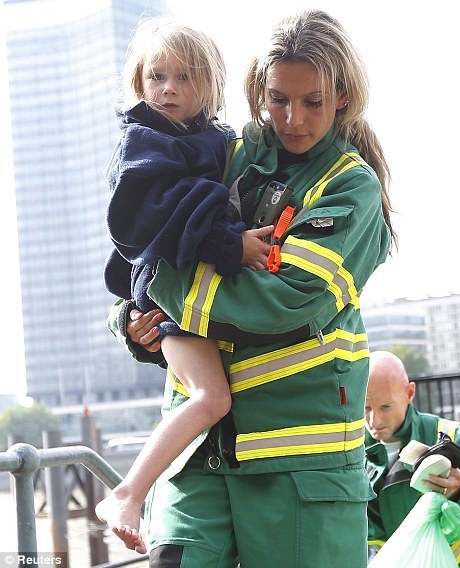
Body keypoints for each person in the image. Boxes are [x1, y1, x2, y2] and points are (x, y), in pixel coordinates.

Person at [107, 9, 395, 567]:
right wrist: (130, 319)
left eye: (313, 101)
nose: (292, 118)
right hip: (196, 460)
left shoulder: (350, 187)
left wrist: (162, 281)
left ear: (343, 97)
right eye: (278, 98)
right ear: (257, 92)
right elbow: (145, 241)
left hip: (297, 466)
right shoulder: (225, 152)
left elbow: (282, 302)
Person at [96, 18, 274, 554]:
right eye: (157, 77)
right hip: (167, 289)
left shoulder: (213, 140)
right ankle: (126, 493)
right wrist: (231, 246)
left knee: (213, 395)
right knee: (210, 397)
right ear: (139, 83)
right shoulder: (145, 146)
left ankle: (132, 493)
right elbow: (162, 216)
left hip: (192, 291)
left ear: (210, 85)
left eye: (184, 77)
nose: (168, 88)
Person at [365, 350, 460, 565]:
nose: (374, 420)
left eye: (386, 406)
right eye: (365, 408)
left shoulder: (458, 439)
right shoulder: (350, 455)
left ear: (410, 393)